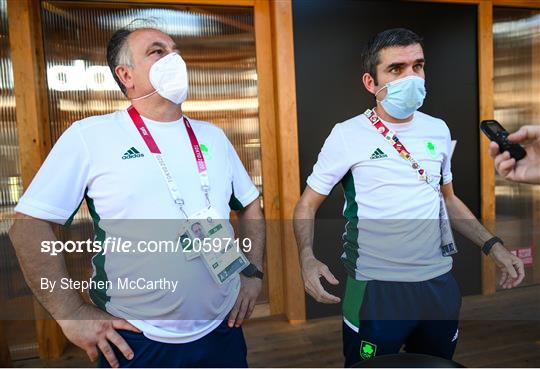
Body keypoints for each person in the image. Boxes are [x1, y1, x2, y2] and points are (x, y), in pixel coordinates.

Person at [9, 23, 265, 368]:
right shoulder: (90, 136)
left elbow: (250, 204)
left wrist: (252, 274)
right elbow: (28, 226)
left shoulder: (213, 137)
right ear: (125, 75)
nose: (174, 59)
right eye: (157, 51)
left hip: (223, 329)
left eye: (175, 51)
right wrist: (70, 313)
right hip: (136, 341)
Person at [293, 28, 524, 367]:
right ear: (371, 82)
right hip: (376, 291)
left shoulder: (438, 129)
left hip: (438, 286)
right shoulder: (346, 134)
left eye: (418, 65)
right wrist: (306, 257)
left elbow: (448, 200)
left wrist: (494, 246)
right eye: (396, 69)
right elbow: (307, 204)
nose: (411, 77)